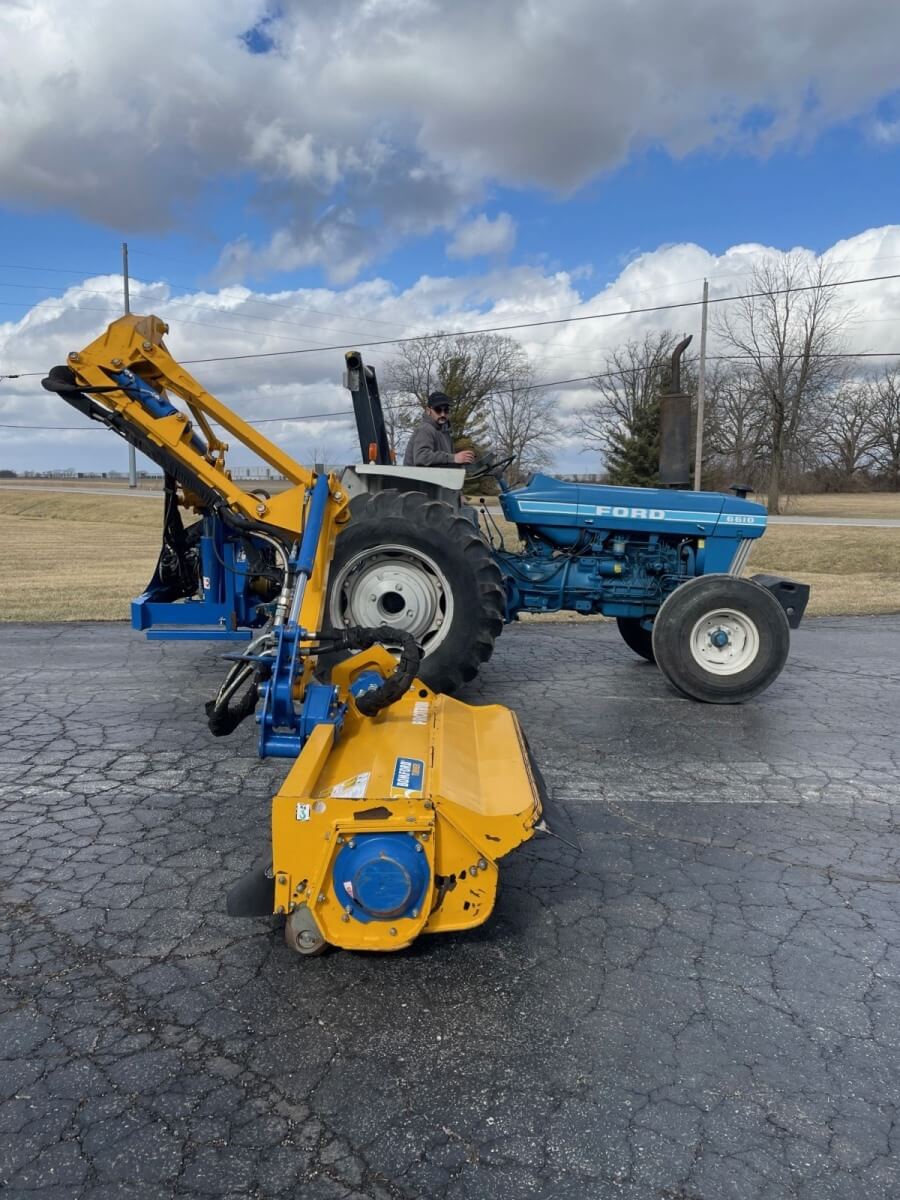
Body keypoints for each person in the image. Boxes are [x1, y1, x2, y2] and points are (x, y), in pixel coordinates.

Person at [403, 392, 475, 468]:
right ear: (428, 411)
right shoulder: (425, 429)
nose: (443, 414)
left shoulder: (446, 433)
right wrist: (454, 458)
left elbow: (446, 463)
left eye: (446, 410)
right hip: (417, 479)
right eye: (438, 410)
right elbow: (421, 457)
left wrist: (463, 459)